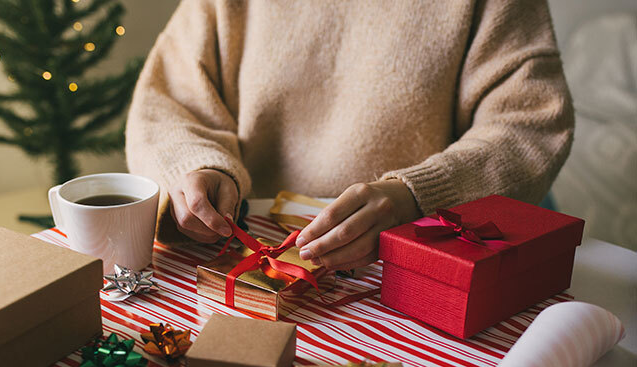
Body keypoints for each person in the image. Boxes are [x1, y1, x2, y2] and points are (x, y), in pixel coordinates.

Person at [125, 0, 573, 270]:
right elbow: (168, 104)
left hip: (422, 260)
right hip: (254, 253)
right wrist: (199, 167)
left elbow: (528, 123)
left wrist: (414, 195)